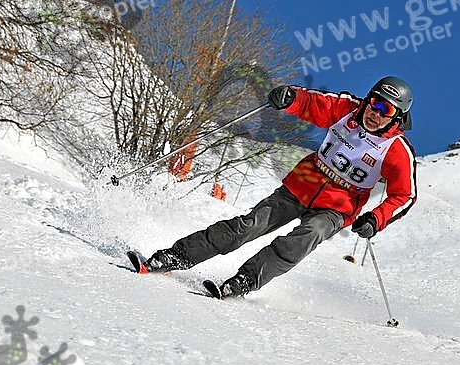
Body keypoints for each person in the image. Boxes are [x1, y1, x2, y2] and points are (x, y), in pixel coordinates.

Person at [143, 76, 418, 298]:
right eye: (374, 103)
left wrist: (376, 219)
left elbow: (404, 195)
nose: (375, 112)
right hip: (300, 186)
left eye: (386, 110)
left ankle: (245, 280)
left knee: (306, 236)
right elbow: (313, 102)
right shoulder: (347, 110)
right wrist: (291, 98)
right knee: (248, 226)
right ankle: (177, 256)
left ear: (398, 117)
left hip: (335, 209)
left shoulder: (396, 149)